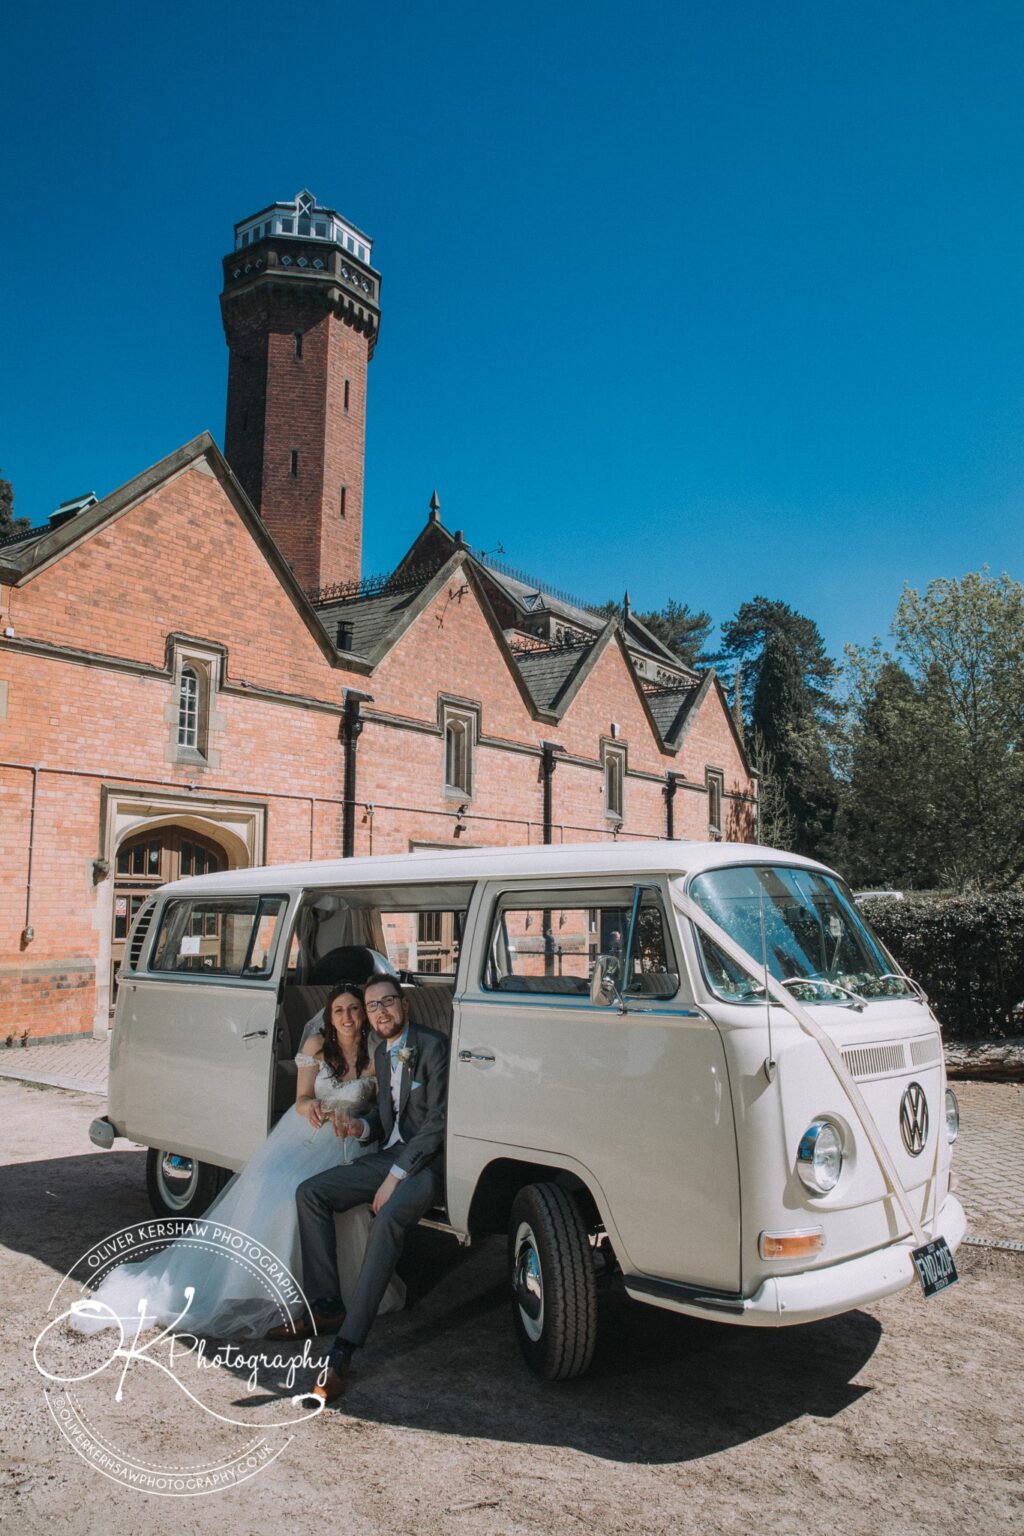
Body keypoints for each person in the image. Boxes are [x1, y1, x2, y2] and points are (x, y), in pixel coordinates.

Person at [71, 982, 404, 1340]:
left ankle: (326, 1292)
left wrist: (355, 1123)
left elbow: (381, 1109)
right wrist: (316, 1109)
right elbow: (302, 1099)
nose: (347, 1017)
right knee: (269, 1183)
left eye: (354, 1009)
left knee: (304, 1193)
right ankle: (257, 1285)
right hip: (306, 1133)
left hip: (349, 1139)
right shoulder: (316, 1046)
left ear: (364, 1014)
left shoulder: (377, 1054)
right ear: (329, 1016)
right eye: (339, 1010)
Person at [286, 974, 448, 1404]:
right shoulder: (381, 1050)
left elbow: (437, 1124)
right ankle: (325, 1304)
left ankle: (344, 1350)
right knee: (310, 1193)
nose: (380, 1012)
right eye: (373, 1006)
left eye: (388, 1003)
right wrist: (360, 1126)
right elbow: (385, 1118)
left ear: (404, 1006)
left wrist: (395, 1176)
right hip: (386, 1157)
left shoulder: (433, 1045)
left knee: (387, 1219)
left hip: (426, 1166)